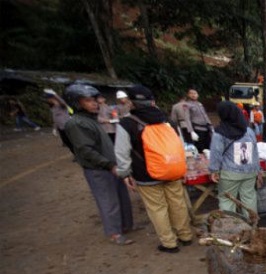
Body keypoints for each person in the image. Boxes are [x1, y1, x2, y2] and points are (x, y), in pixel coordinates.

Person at [114, 85, 193, 254]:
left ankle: (169, 243)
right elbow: (179, 145)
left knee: (157, 208)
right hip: (172, 170)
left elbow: (121, 152)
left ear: (130, 103)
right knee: (178, 204)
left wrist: (125, 173)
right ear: (153, 102)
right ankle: (185, 235)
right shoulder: (167, 121)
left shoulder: (127, 124)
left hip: (146, 175)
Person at [63, 84, 134, 245]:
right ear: (76, 102)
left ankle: (125, 226)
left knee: (121, 197)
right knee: (108, 200)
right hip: (99, 169)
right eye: (88, 101)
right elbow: (86, 151)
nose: (94, 103)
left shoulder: (90, 120)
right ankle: (115, 233)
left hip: (110, 165)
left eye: (94, 100)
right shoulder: (77, 123)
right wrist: (109, 165)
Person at [209, 101, 261, 215]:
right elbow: (255, 152)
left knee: (227, 200)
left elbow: (216, 154)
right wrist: (258, 170)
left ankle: (230, 230)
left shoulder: (219, 133)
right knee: (249, 198)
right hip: (250, 171)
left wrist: (214, 170)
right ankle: (251, 226)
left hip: (229, 173)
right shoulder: (248, 131)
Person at [43, 89, 74, 154]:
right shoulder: (53, 107)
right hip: (60, 127)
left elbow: (64, 103)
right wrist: (54, 128)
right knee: (66, 142)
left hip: (67, 125)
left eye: (48, 99)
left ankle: (77, 154)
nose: (47, 100)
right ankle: (75, 153)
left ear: (52, 98)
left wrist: (55, 94)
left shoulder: (61, 105)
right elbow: (55, 118)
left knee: (72, 141)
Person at [184, 88, 213, 153]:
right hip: (197, 129)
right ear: (188, 95)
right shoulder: (186, 105)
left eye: (195, 93)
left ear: (198, 95)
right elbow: (187, 118)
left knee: (208, 147)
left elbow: (205, 116)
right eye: (191, 93)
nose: (193, 95)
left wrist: (211, 126)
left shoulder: (200, 104)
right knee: (200, 148)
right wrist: (191, 131)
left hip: (206, 128)